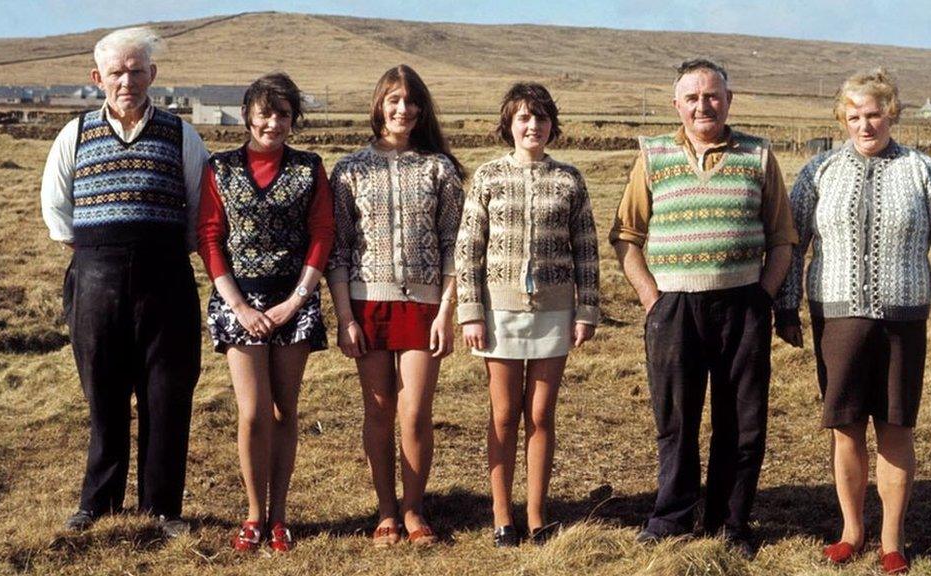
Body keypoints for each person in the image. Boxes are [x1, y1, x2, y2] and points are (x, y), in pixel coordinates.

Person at [774, 68, 931, 574]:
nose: (865, 125)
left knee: (896, 427)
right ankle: (851, 530)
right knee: (845, 429)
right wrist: (786, 305)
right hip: (836, 319)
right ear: (843, 118)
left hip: (903, 321)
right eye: (854, 115)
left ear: (892, 114)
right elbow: (793, 244)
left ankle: (891, 540)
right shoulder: (819, 171)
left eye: (874, 114)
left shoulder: (924, 171)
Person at [610, 58, 797, 555]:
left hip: (743, 306)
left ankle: (730, 523)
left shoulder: (758, 155)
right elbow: (627, 236)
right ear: (677, 105)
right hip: (673, 308)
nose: (702, 105)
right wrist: (652, 298)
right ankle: (671, 516)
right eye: (691, 98)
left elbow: (782, 238)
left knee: (742, 420)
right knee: (677, 419)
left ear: (729, 101)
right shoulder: (652, 156)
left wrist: (763, 294)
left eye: (712, 95)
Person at [40, 27, 208, 537]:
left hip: (167, 282)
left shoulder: (182, 135)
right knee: (104, 395)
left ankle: (163, 508)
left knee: (167, 394)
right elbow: (57, 210)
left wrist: (154, 250)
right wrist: (102, 252)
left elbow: (199, 210)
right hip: (95, 282)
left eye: (136, 70)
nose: (127, 80)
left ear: (152, 75)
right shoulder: (74, 134)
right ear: (98, 78)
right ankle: (98, 502)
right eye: (116, 72)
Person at [456, 83, 600, 547]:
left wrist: (588, 309)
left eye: (540, 118)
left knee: (540, 413)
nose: (532, 126)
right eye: (522, 118)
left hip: (555, 311)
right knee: (503, 414)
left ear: (552, 125)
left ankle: (537, 515)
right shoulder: (487, 177)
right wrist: (470, 311)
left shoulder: (569, 180)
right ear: (509, 126)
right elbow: (468, 248)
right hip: (499, 312)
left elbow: (588, 250)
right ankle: (502, 514)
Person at [325, 64, 464, 547]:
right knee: (379, 410)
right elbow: (337, 251)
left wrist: (447, 310)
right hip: (366, 305)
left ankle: (414, 508)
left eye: (410, 101)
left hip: (425, 307)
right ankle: (385, 509)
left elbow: (455, 245)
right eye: (393, 100)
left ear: (420, 109)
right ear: (379, 106)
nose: (402, 109)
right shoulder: (348, 169)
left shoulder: (438, 168)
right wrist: (345, 318)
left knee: (416, 411)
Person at [197, 73, 334, 552]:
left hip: (294, 302)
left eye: (282, 113)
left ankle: (280, 516)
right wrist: (237, 304)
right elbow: (209, 236)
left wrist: (296, 300)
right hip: (240, 302)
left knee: (284, 410)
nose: (272, 122)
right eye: (264, 112)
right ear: (246, 116)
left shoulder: (309, 168)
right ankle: (254, 513)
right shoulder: (221, 169)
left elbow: (322, 233)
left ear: (293, 119)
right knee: (253, 411)